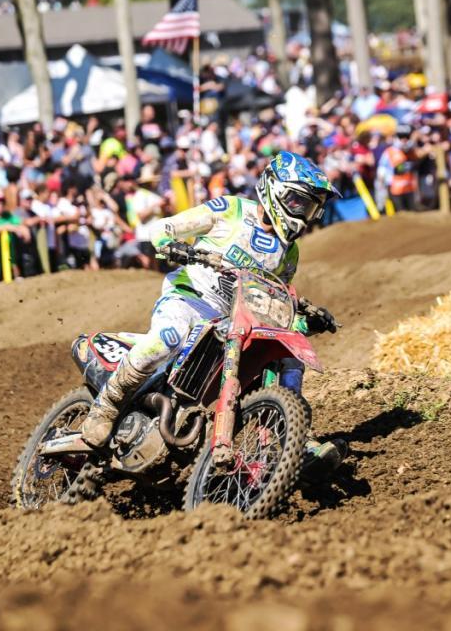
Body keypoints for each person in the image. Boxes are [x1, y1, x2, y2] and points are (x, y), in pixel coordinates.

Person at [81, 150, 347, 470]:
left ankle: (292, 438)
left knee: (286, 357)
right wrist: (173, 245)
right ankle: (105, 409)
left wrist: (304, 322)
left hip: (234, 324)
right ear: (276, 190)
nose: (304, 214)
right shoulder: (231, 210)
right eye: (299, 203)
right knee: (167, 338)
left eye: (312, 208)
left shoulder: (288, 253)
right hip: (191, 297)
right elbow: (163, 228)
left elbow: (274, 303)